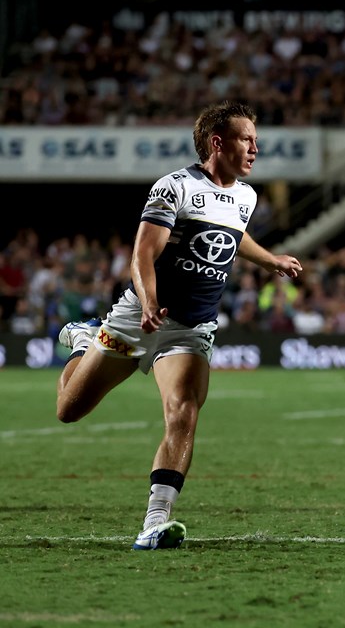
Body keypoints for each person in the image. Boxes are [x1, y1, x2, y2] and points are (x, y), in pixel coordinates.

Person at [55, 101, 303, 549]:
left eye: (256, 140)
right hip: (138, 319)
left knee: (183, 411)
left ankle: (155, 520)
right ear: (217, 142)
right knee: (69, 410)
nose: (255, 148)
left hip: (191, 329)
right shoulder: (175, 187)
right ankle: (83, 340)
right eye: (247, 139)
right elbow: (143, 253)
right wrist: (150, 302)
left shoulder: (247, 196)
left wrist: (270, 260)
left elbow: (234, 234)